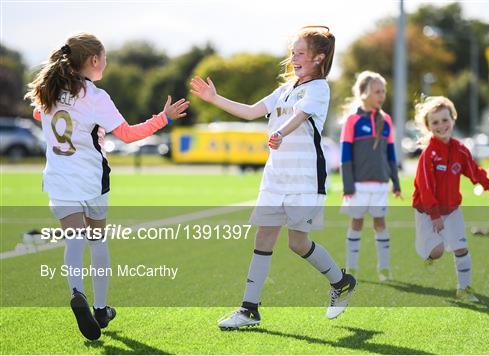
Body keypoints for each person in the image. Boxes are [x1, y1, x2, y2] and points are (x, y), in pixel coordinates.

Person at [190, 26, 356, 330]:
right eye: (292, 52)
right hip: (275, 178)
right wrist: (215, 99)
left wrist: (280, 131)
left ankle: (341, 281)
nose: (294, 58)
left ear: (319, 58)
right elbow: (252, 111)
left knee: (297, 243)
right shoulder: (285, 89)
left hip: (304, 180)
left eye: (300, 53)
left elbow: (300, 116)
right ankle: (249, 309)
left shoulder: (319, 88)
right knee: (264, 236)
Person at [25, 33, 189, 340]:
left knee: (73, 242)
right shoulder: (96, 97)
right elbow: (127, 134)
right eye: (105, 59)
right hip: (91, 180)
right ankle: (101, 309)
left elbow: (39, 113)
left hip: (59, 180)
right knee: (97, 242)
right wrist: (163, 118)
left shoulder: (48, 89)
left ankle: (78, 293)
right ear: (94, 61)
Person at [412, 96, 489, 302]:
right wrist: (435, 215)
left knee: (461, 248)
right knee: (436, 252)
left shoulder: (460, 150)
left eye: (445, 120)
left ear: (453, 118)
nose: (441, 125)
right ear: (429, 126)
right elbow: (425, 187)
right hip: (427, 211)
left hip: (452, 210)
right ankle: (428, 253)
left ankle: (464, 290)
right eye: (435, 122)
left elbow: (475, 172)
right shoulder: (428, 154)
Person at [339, 71, 401, 281]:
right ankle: (351, 268)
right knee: (356, 223)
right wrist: (348, 185)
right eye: (377, 91)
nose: (381, 95)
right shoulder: (352, 121)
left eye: (383, 91)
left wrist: (396, 182)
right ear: (363, 92)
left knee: (380, 223)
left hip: (380, 185)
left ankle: (384, 269)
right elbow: (345, 156)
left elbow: (391, 154)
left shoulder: (387, 120)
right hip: (357, 185)